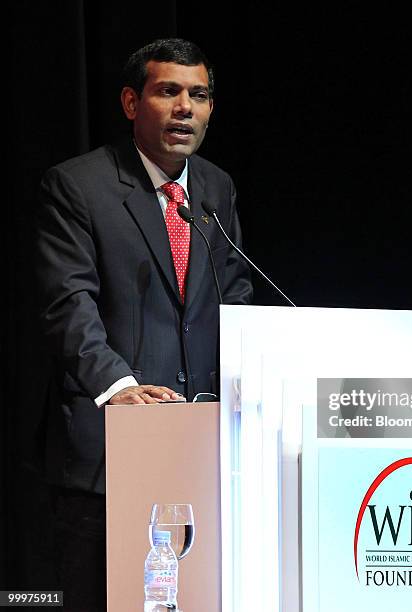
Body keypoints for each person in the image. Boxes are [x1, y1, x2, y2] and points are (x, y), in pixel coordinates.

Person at [34, 38, 253, 609]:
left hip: (200, 450)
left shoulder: (215, 188)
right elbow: (68, 304)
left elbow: (233, 295)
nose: (186, 107)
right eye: (168, 91)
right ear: (132, 103)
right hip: (109, 450)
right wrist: (121, 388)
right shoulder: (78, 186)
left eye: (199, 95)